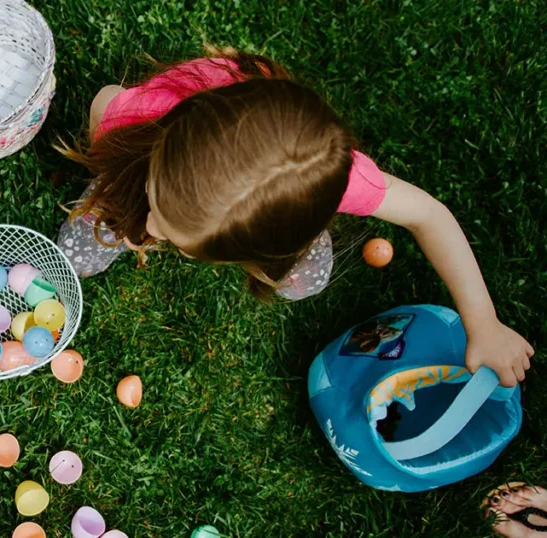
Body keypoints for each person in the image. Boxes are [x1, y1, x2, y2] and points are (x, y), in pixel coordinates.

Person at [57, 45, 532, 386]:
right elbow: (104, 99)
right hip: (157, 144)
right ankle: (132, 199)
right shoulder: (142, 117)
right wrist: (135, 193)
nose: (154, 231)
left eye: (172, 233)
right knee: (94, 233)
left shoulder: (340, 180)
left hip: (274, 207)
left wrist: (483, 324)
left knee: (303, 280)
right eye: (157, 201)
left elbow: (430, 215)